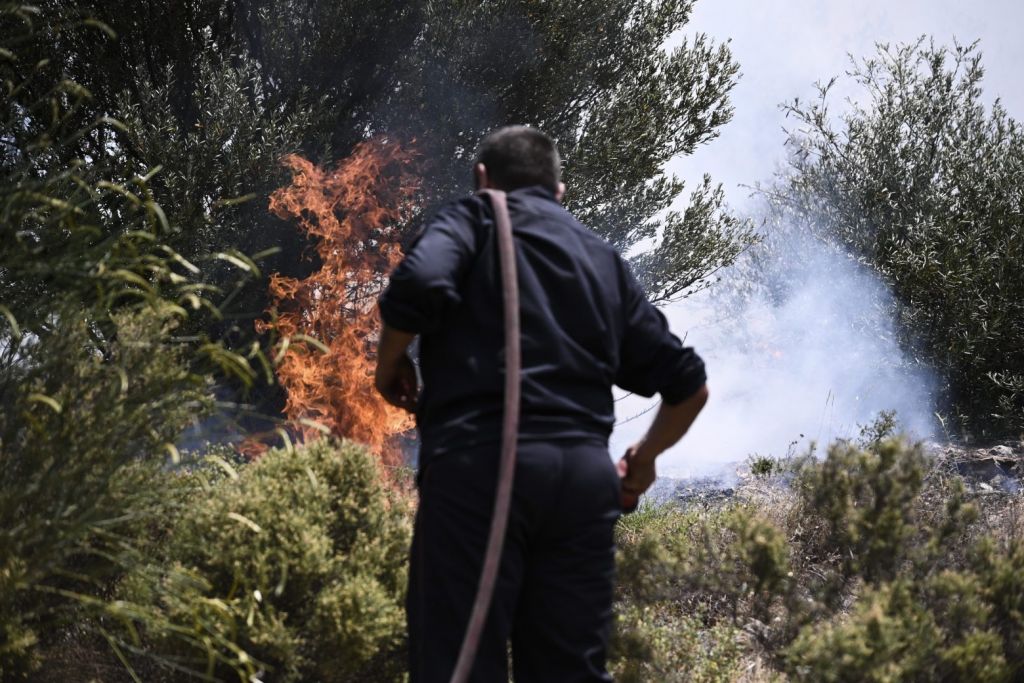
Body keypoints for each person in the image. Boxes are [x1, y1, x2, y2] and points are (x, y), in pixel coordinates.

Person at [375, 125, 708, 682]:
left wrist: (389, 364)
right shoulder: (599, 256)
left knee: (458, 668)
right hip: (583, 485)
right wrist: (645, 457)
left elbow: (419, 283)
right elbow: (690, 385)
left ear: (483, 178)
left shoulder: (474, 217)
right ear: (559, 190)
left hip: (486, 469)